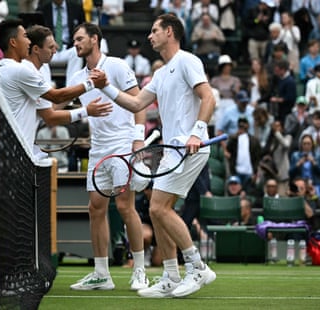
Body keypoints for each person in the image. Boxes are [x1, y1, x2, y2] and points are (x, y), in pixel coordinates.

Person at [99, 14, 217, 298]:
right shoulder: (161, 74)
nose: (149, 36)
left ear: (170, 32)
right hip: (172, 150)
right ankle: (170, 275)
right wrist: (105, 85)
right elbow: (136, 102)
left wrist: (197, 132)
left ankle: (197, 266)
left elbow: (208, 97)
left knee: (160, 209)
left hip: (190, 147)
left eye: (154, 31)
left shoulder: (187, 61)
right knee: (155, 210)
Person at [66, 22, 149, 291]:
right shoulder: (77, 78)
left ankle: (140, 270)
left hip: (123, 144)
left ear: (94, 39)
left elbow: (138, 102)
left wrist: (138, 137)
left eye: (80, 39)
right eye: (74, 40)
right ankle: (102, 274)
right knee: (95, 209)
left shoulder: (117, 65)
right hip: (98, 148)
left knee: (126, 207)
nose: (76, 43)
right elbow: (55, 104)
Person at [0, 19, 111, 153]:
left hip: (8, 148)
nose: (29, 42)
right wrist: (91, 85)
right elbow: (55, 101)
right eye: (25, 37)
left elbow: (50, 108)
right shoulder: (22, 71)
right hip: (14, 151)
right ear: (13, 42)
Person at [36, 0, 86, 85]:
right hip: (49, 49)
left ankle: (71, 90)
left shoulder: (76, 7)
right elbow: (37, 32)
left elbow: (83, 29)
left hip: (68, 47)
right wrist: (50, 44)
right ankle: (47, 89)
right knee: (39, 53)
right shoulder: (42, 9)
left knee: (77, 51)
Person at [225, 117, 262, 190]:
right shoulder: (234, 139)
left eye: (244, 124)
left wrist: (255, 172)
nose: (242, 126)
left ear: (248, 125)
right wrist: (235, 137)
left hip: (250, 173)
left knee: (248, 193)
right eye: (240, 125)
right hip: (236, 172)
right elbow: (228, 149)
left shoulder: (254, 140)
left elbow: (257, 157)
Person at [289, 134, 320, 203]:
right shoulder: (295, 156)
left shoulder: (317, 156)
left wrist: (314, 163)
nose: (306, 146)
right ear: (301, 145)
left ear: (312, 145)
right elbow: (290, 173)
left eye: (308, 144)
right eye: (304, 144)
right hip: (300, 186)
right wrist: (298, 164)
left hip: (315, 185)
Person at [190, 12, 225, 77]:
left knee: (214, 72)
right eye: (204, 20)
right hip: (201, 54)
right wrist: (199, 38)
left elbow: (223, 40)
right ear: (202, 20)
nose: (206, 21)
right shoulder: (197, 28)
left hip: (214, 54)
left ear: (210, 20)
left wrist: (216, 38)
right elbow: (192, 40)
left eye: (207, 20)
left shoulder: (215, 28)